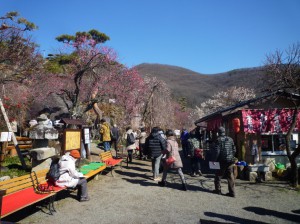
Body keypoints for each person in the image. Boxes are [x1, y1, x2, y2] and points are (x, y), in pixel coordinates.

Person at [213, 126, 236, 197]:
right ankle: (232, 192)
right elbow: (234, 150)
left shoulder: (218, 140)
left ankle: (218, 190)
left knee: (218, 175)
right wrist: (231, 156)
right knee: (230, 176)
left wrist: (214, 160)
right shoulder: (230, 139)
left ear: (219, 133)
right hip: (230, 160)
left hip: (222, 161)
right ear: (224, 132)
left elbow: (217, 152)